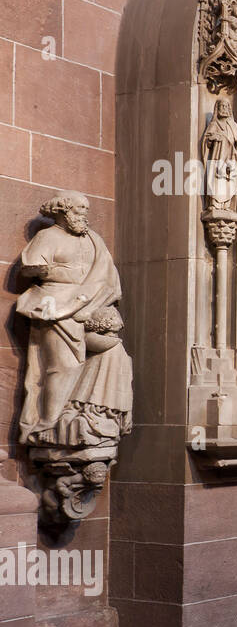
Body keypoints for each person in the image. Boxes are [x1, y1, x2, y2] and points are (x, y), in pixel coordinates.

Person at [17, 191, 132, 449]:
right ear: (62, 211)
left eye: (86, 210)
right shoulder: (47, 237)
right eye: (79, 209)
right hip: (54, 306)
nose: (84, 215)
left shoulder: (94, 240)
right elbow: (31, 266)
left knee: (112, 352)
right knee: (61, 366)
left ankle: (91, 413)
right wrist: (62, 273)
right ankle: (48, 424)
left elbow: (108, 275)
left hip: (89, 307)